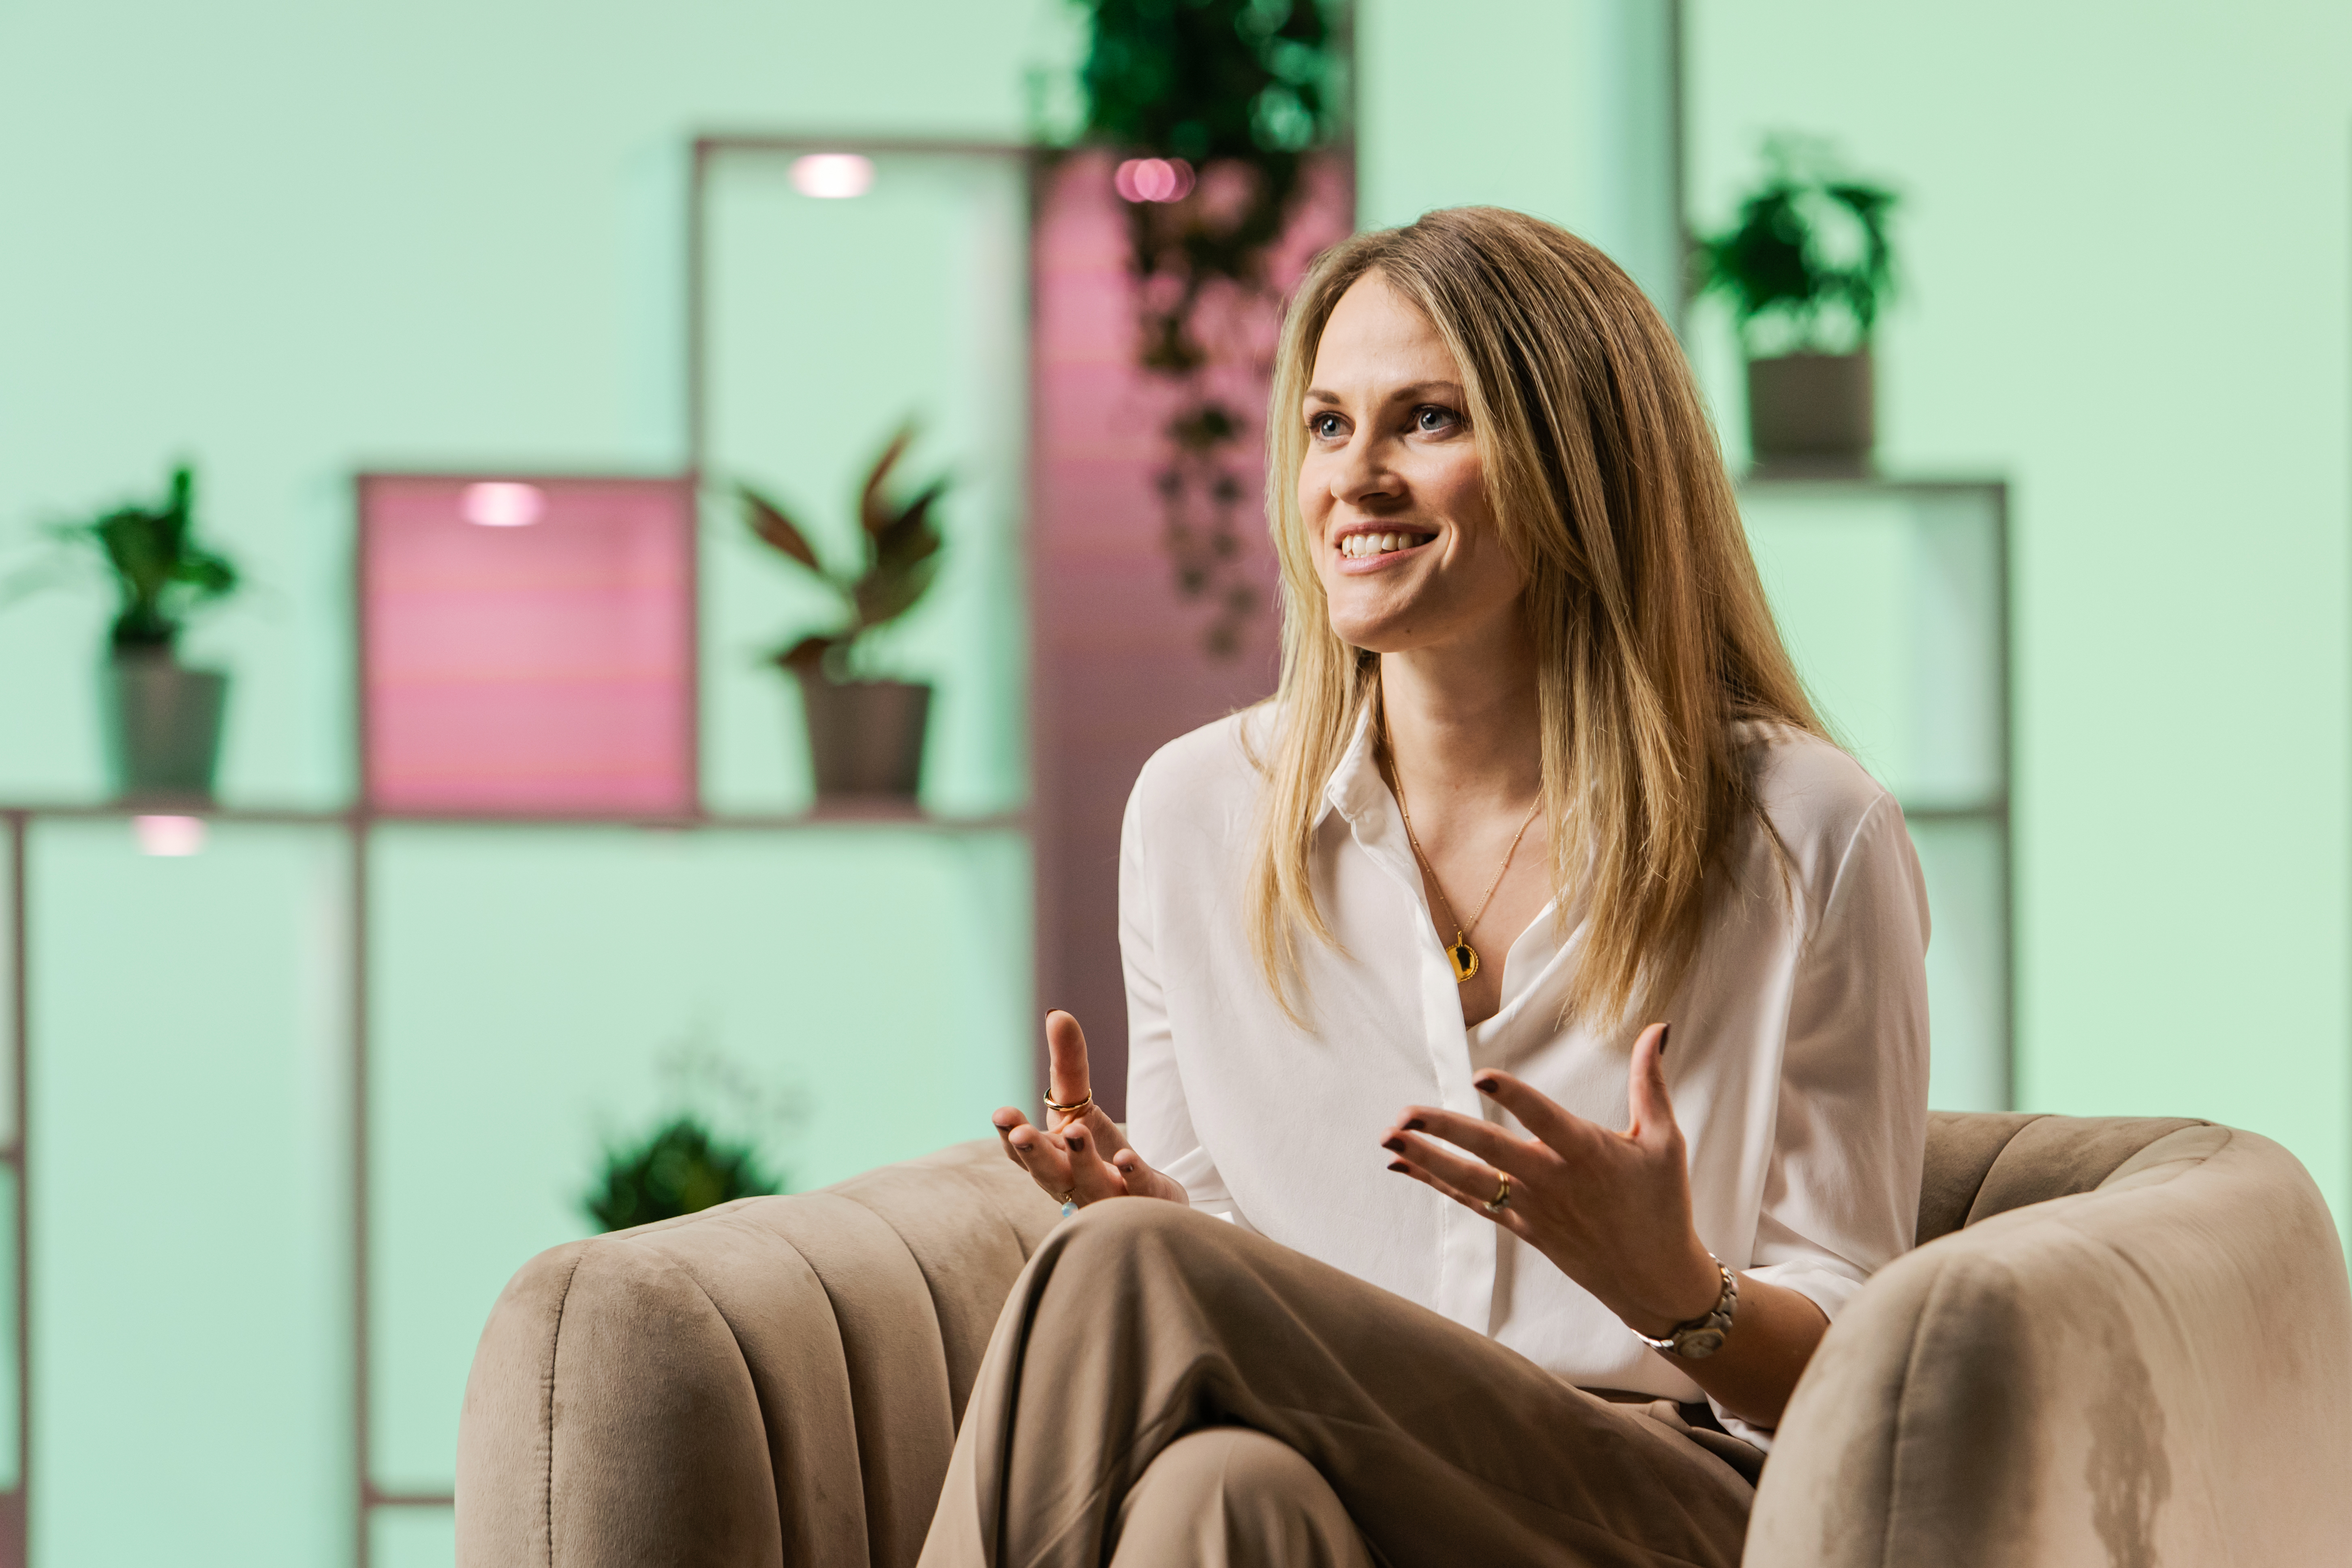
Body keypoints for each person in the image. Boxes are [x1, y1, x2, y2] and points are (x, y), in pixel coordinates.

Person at [926, 207, 1929, 1568]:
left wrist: (1671, 1290)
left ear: (1585, 466)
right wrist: (1173, 1238)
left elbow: (1860, 1391)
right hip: (1333, 1472)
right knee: (1212, 1498)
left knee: (1121, 1284)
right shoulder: (1194, 812)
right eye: (1328, 426)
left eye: (1428, 421)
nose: (1357, 478)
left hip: (1661, 1504)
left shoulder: (1804, 828)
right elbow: (1215, 1243)